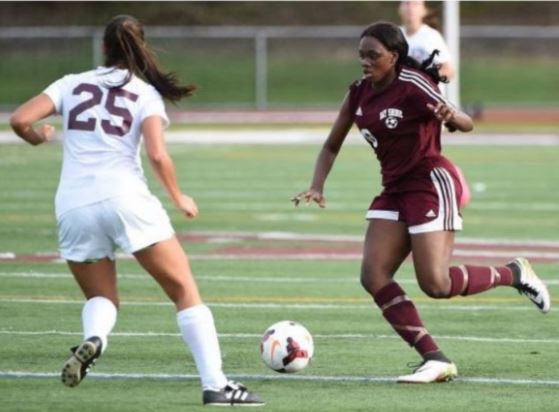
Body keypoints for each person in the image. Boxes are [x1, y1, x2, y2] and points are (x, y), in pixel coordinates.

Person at [10, 15, 263, 407]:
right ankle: (216, 386)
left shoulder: (70, 83)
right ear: (141, 48)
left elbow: (19, 119)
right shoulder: (144, 93)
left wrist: (38, 138)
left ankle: (96, 338)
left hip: (73, 205)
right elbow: (158, 154)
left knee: (101, 296)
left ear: (103, 49)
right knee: (183, 291)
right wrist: (179, 197)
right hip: (126, 199)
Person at [292, 21, 550, 383]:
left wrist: (453, 116)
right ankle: (435, 357)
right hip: (394, 189)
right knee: (373, 275)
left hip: (429, 183)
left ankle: (514, 274)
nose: (365, 62)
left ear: (393, 57)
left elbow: (464, 122)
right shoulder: (358, 93)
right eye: (361, 55)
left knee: (436, 284)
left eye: (374, 56)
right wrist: (317, 185)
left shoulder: (412, 86)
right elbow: (331, 144)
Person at [399, 0, 471, 208]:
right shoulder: (396, 36)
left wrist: (423, 79)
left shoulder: (430, 37)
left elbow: (448, 70)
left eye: (415, 4)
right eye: (406, 4)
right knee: (408, 150)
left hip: (429, 104)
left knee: (425, 149)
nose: (410, 8)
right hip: (404, 104)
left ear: (423, 10)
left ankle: (455, 181)